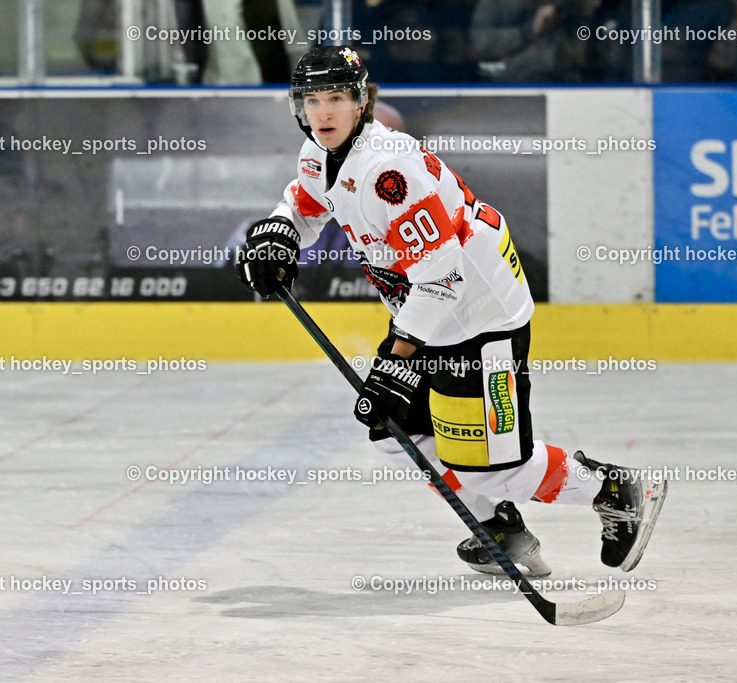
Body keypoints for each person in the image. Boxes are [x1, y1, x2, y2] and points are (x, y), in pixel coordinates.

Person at [236, 45, 666, 577]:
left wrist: (397, 358)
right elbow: (304, 202)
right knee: (392, 429)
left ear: (361, 102)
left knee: (495, 468)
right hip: (428, 313)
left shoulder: (387, 173)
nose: (324, 112)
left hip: (479, 318)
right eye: (313, 99)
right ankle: (500, 530)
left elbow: (443, 278)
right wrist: (280, 234)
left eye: (337, 98)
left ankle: (615, 489)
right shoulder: (319, 153)